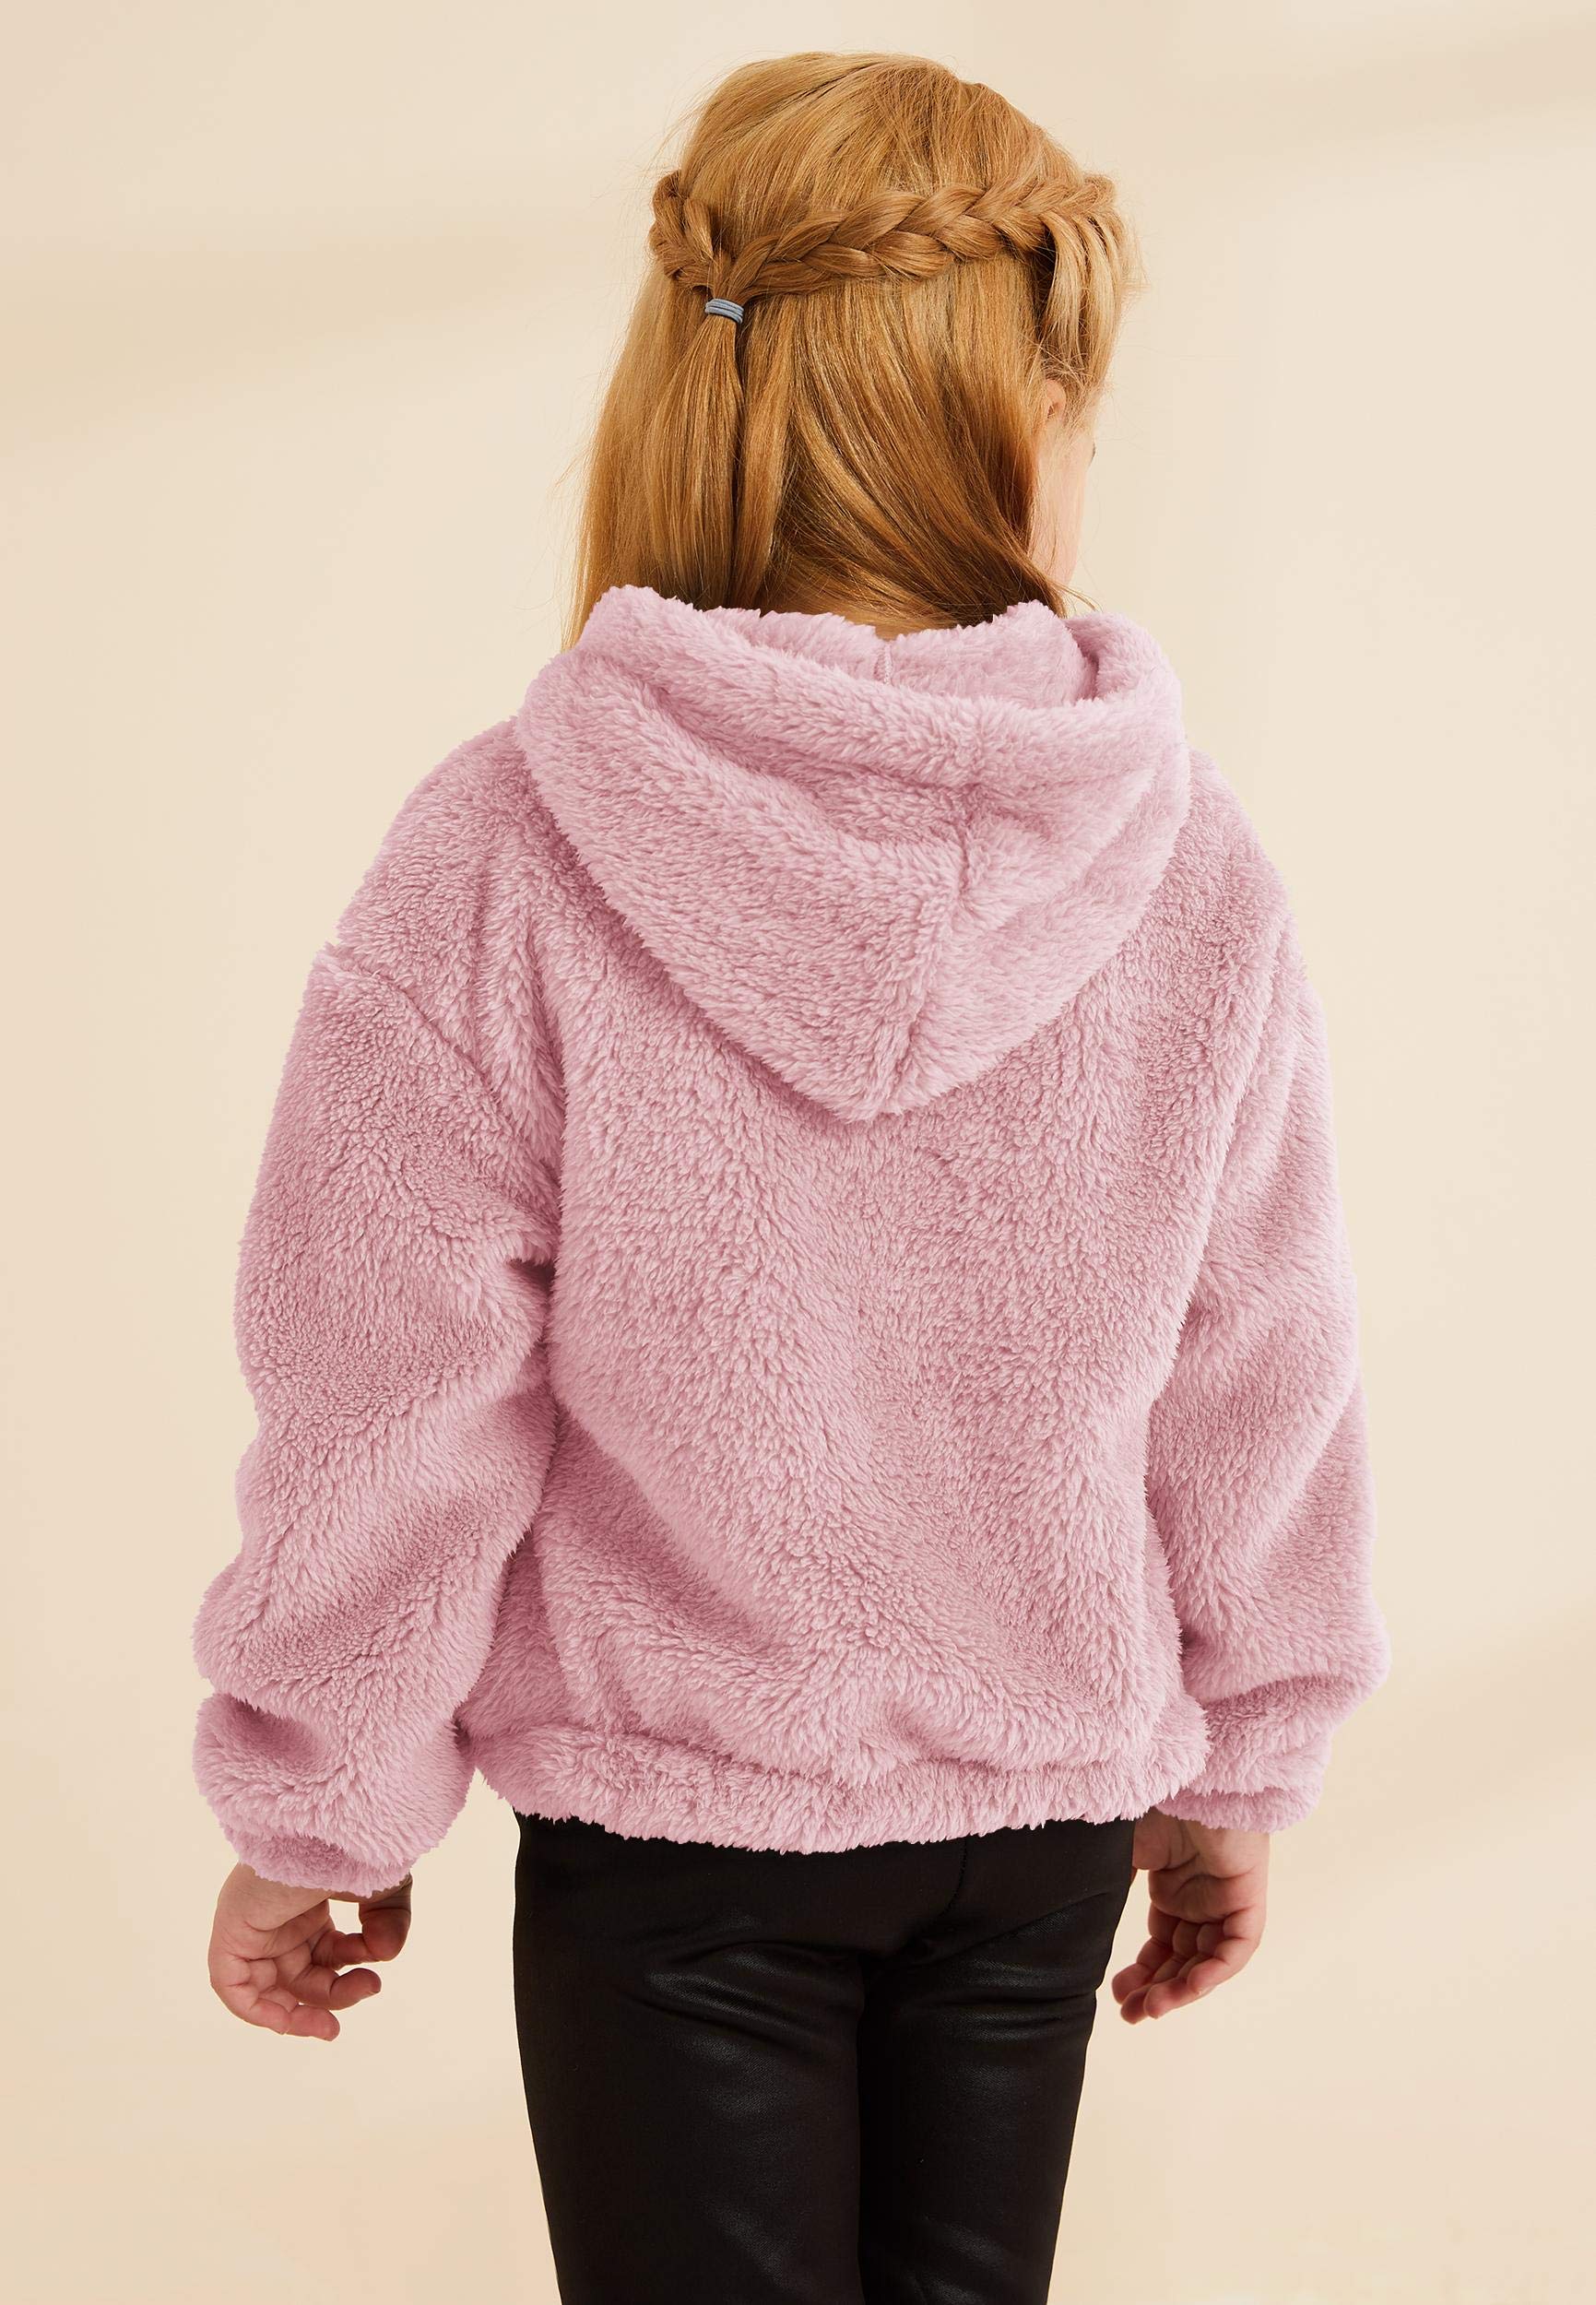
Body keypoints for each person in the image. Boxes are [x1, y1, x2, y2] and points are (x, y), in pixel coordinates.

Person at [193, 49, 1389, 2305]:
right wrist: (1240, 1757)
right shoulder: (1178, 854)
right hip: (1036, 1814)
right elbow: (1261, 1355)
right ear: (1027, 409)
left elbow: (390, 1381)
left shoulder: (508, 843)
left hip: (676, 1826)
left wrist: (320, 1795)